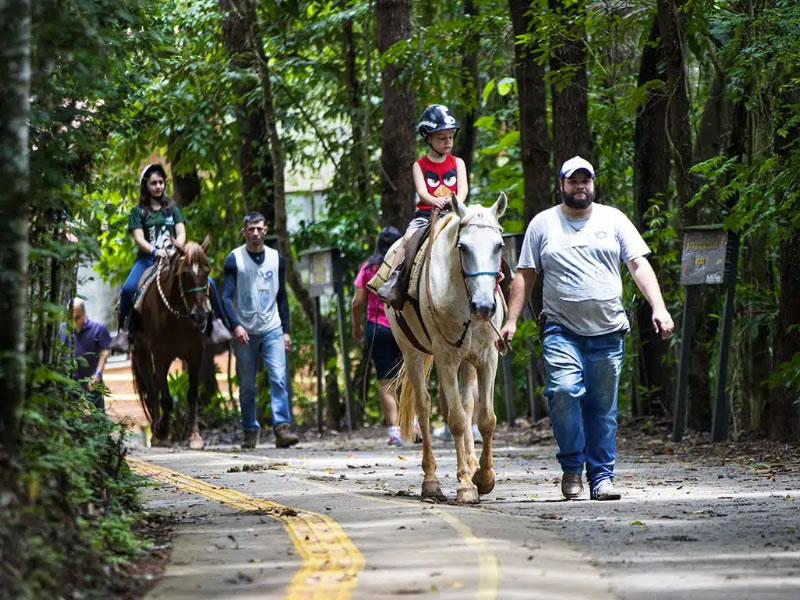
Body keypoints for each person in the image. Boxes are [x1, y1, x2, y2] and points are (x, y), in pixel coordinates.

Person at [497, 156, 675, 501]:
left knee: (602, 410)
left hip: (607, 331)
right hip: (561, 330)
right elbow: (524, 275)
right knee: (562, 393)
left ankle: (602, 478)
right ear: (562, 185)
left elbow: (638, 264)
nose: (581, 186)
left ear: (593, 184)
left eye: (586, 181)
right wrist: (512, 320)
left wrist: (659, 306)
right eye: (573, 181)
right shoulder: (543, 224)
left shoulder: (614, 219)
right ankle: (571, 469)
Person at [110, 163, 230, 353]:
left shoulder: (173, 208)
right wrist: (155, 251)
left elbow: (181, 232)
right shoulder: (138, 211)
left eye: (161, 182)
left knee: (210, 283)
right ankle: (124, 333)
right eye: (153, 183)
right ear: (145, 185)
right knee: (127, 290)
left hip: (174, 257)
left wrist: (177, 248)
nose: (158, 186)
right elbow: (139, 238)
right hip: (148, 260)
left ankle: (218, 323)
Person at [378, 104, 468, 308]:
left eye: (450, 137)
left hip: (454, 212)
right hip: (428, 214)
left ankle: (497, 281)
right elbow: (422, 192)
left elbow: (462, 191)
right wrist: (434, 201)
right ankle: (395, 280)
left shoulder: (458, 163)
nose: (447, 142)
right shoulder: (419, 165)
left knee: (480, 234)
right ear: (428, 138)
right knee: (407, 238)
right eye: (441, 138)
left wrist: (455, 202)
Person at [222, 212, 299, 449]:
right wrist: (235, 325)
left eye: (259, 229)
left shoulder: (277, 259)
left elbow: (283, 297)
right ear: (244, 232)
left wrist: (286, 330)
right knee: (246, 384)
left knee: (278, 377)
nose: (255, 233)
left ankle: (282, 428)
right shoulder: (234, 259)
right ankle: (249, 431)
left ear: (265, 231)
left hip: (272, 327)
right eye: (251, 229)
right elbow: (225, 297)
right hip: (245, 330)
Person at [352, 227, 405, 446]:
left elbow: (357, 302)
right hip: (404, 327)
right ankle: (415, 426)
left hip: (378, 328)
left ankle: (395, 432)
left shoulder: (369, 268)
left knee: (386, 382)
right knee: (409, 378)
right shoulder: (405, 265)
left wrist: (357, 327)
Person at [59, 298, 112, 411]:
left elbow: (104, 352)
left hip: (92, 379)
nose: (74, 322)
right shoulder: (61, 329)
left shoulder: (98, 328)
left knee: (98, 415)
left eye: (77, 318)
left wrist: (98, 374)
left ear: (84, 314)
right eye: (71, 319)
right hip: (70, 382)